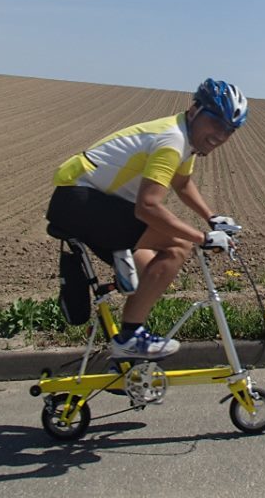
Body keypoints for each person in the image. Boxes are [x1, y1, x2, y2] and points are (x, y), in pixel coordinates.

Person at [46, 78, 248, 359]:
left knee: (147, 276)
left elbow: (182, 183)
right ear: (195, 111)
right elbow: (147, 208)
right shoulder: (172, 140)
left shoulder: (184, 137)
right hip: (80, 201)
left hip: (92, 203)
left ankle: (126, 362)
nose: (221, 135)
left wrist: (213, 218)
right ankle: (130, 337)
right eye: (216, 122)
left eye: (230, 129)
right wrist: (202, 237)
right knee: (178, 246)